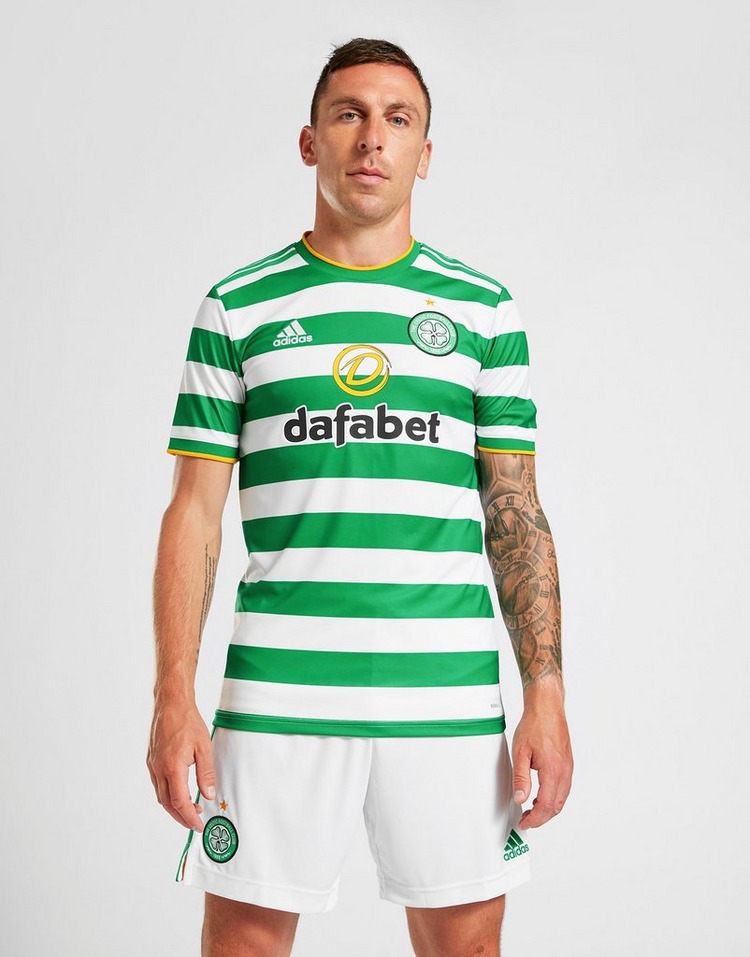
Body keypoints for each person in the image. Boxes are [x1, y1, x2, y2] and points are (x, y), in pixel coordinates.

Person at [147, 37, 573, 957]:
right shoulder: (238, 307)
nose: (373, 138)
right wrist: (172, 692)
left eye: (397, 119)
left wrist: (546, 691)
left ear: (426, 151)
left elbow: (518, 513)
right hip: (276, 693)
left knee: (466, 948)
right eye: (349, 114)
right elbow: (194, 513)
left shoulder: (483, 311)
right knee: (243, 946)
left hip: (447, 694)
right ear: (310, 142)